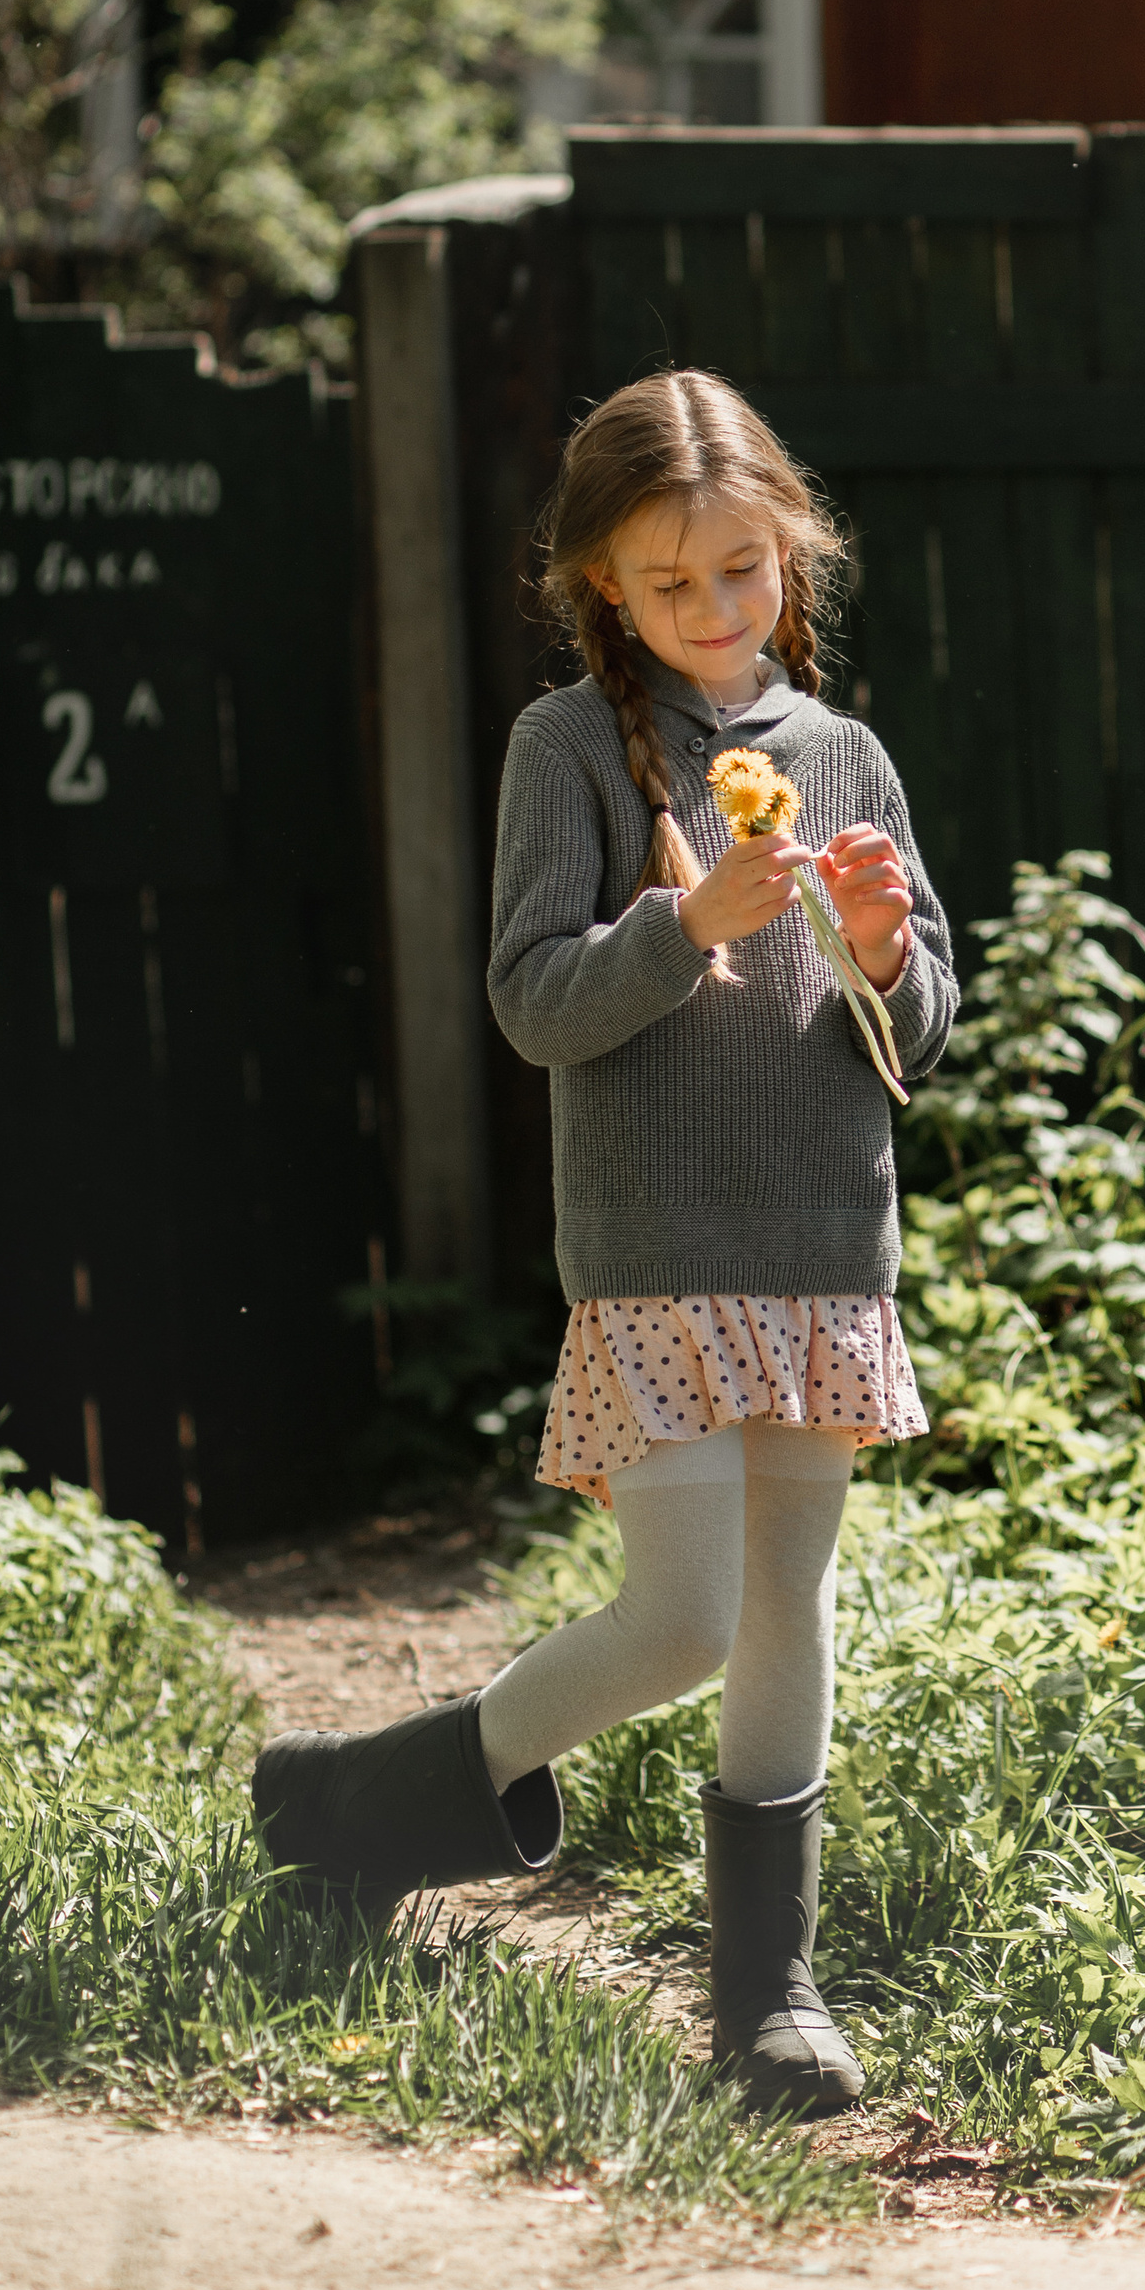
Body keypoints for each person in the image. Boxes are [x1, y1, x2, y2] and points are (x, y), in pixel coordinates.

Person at [251, 370, 955, 2112]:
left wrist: (877, 947)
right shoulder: (566, 747)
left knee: (790, 1609)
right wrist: (677, 925)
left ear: (790, 552)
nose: (719, 612)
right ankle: (373, 1798)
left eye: (744, 571)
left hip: (822, 1249)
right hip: (656, 1250)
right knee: (681, 1618)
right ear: (606, 593)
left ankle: (766, 1995)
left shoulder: (847, 759)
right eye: (672, 586)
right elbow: (530, 1004)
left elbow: (926, 1029)